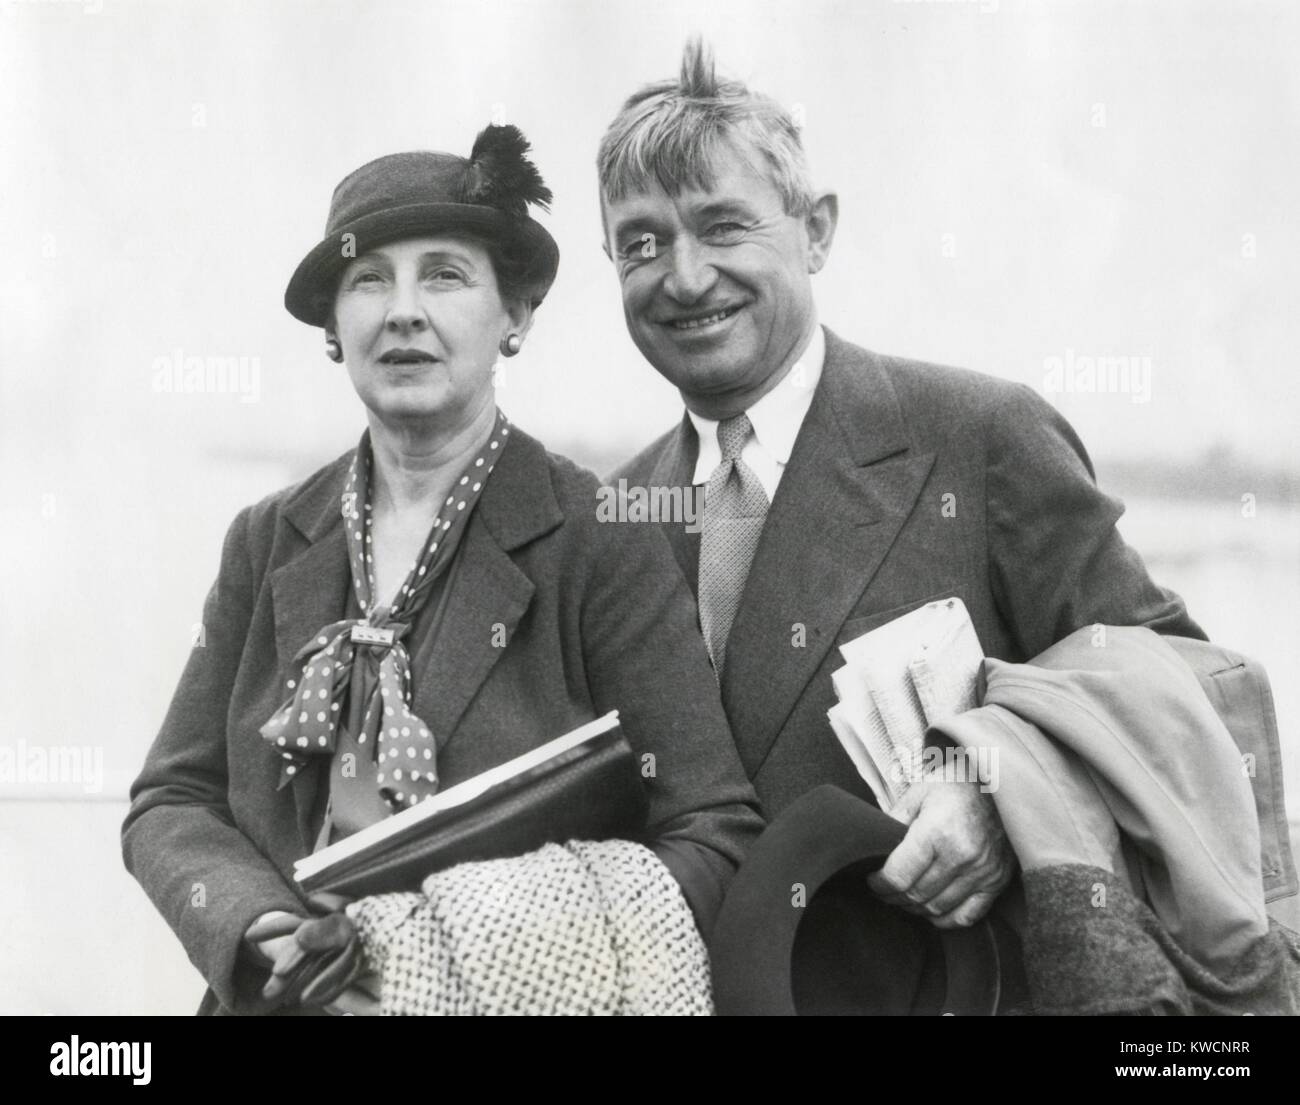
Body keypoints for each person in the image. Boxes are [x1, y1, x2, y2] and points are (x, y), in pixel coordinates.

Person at [122, 124, 763, 1016]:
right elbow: (171, 797)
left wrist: (468, 957)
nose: (403, 311)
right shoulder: (268, 540)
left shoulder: (596, 538)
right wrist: (260, 930)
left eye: (446, 275)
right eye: (368, 280)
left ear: (516, 316)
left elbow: (713, 829)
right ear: (333, 331)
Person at [599, 42, 1206, 936]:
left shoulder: (980, 436)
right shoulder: (612, 515)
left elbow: (1173, 681)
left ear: (816, 231)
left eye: (724, 226)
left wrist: (1002, 791)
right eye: (642, 243)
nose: (684, 276)